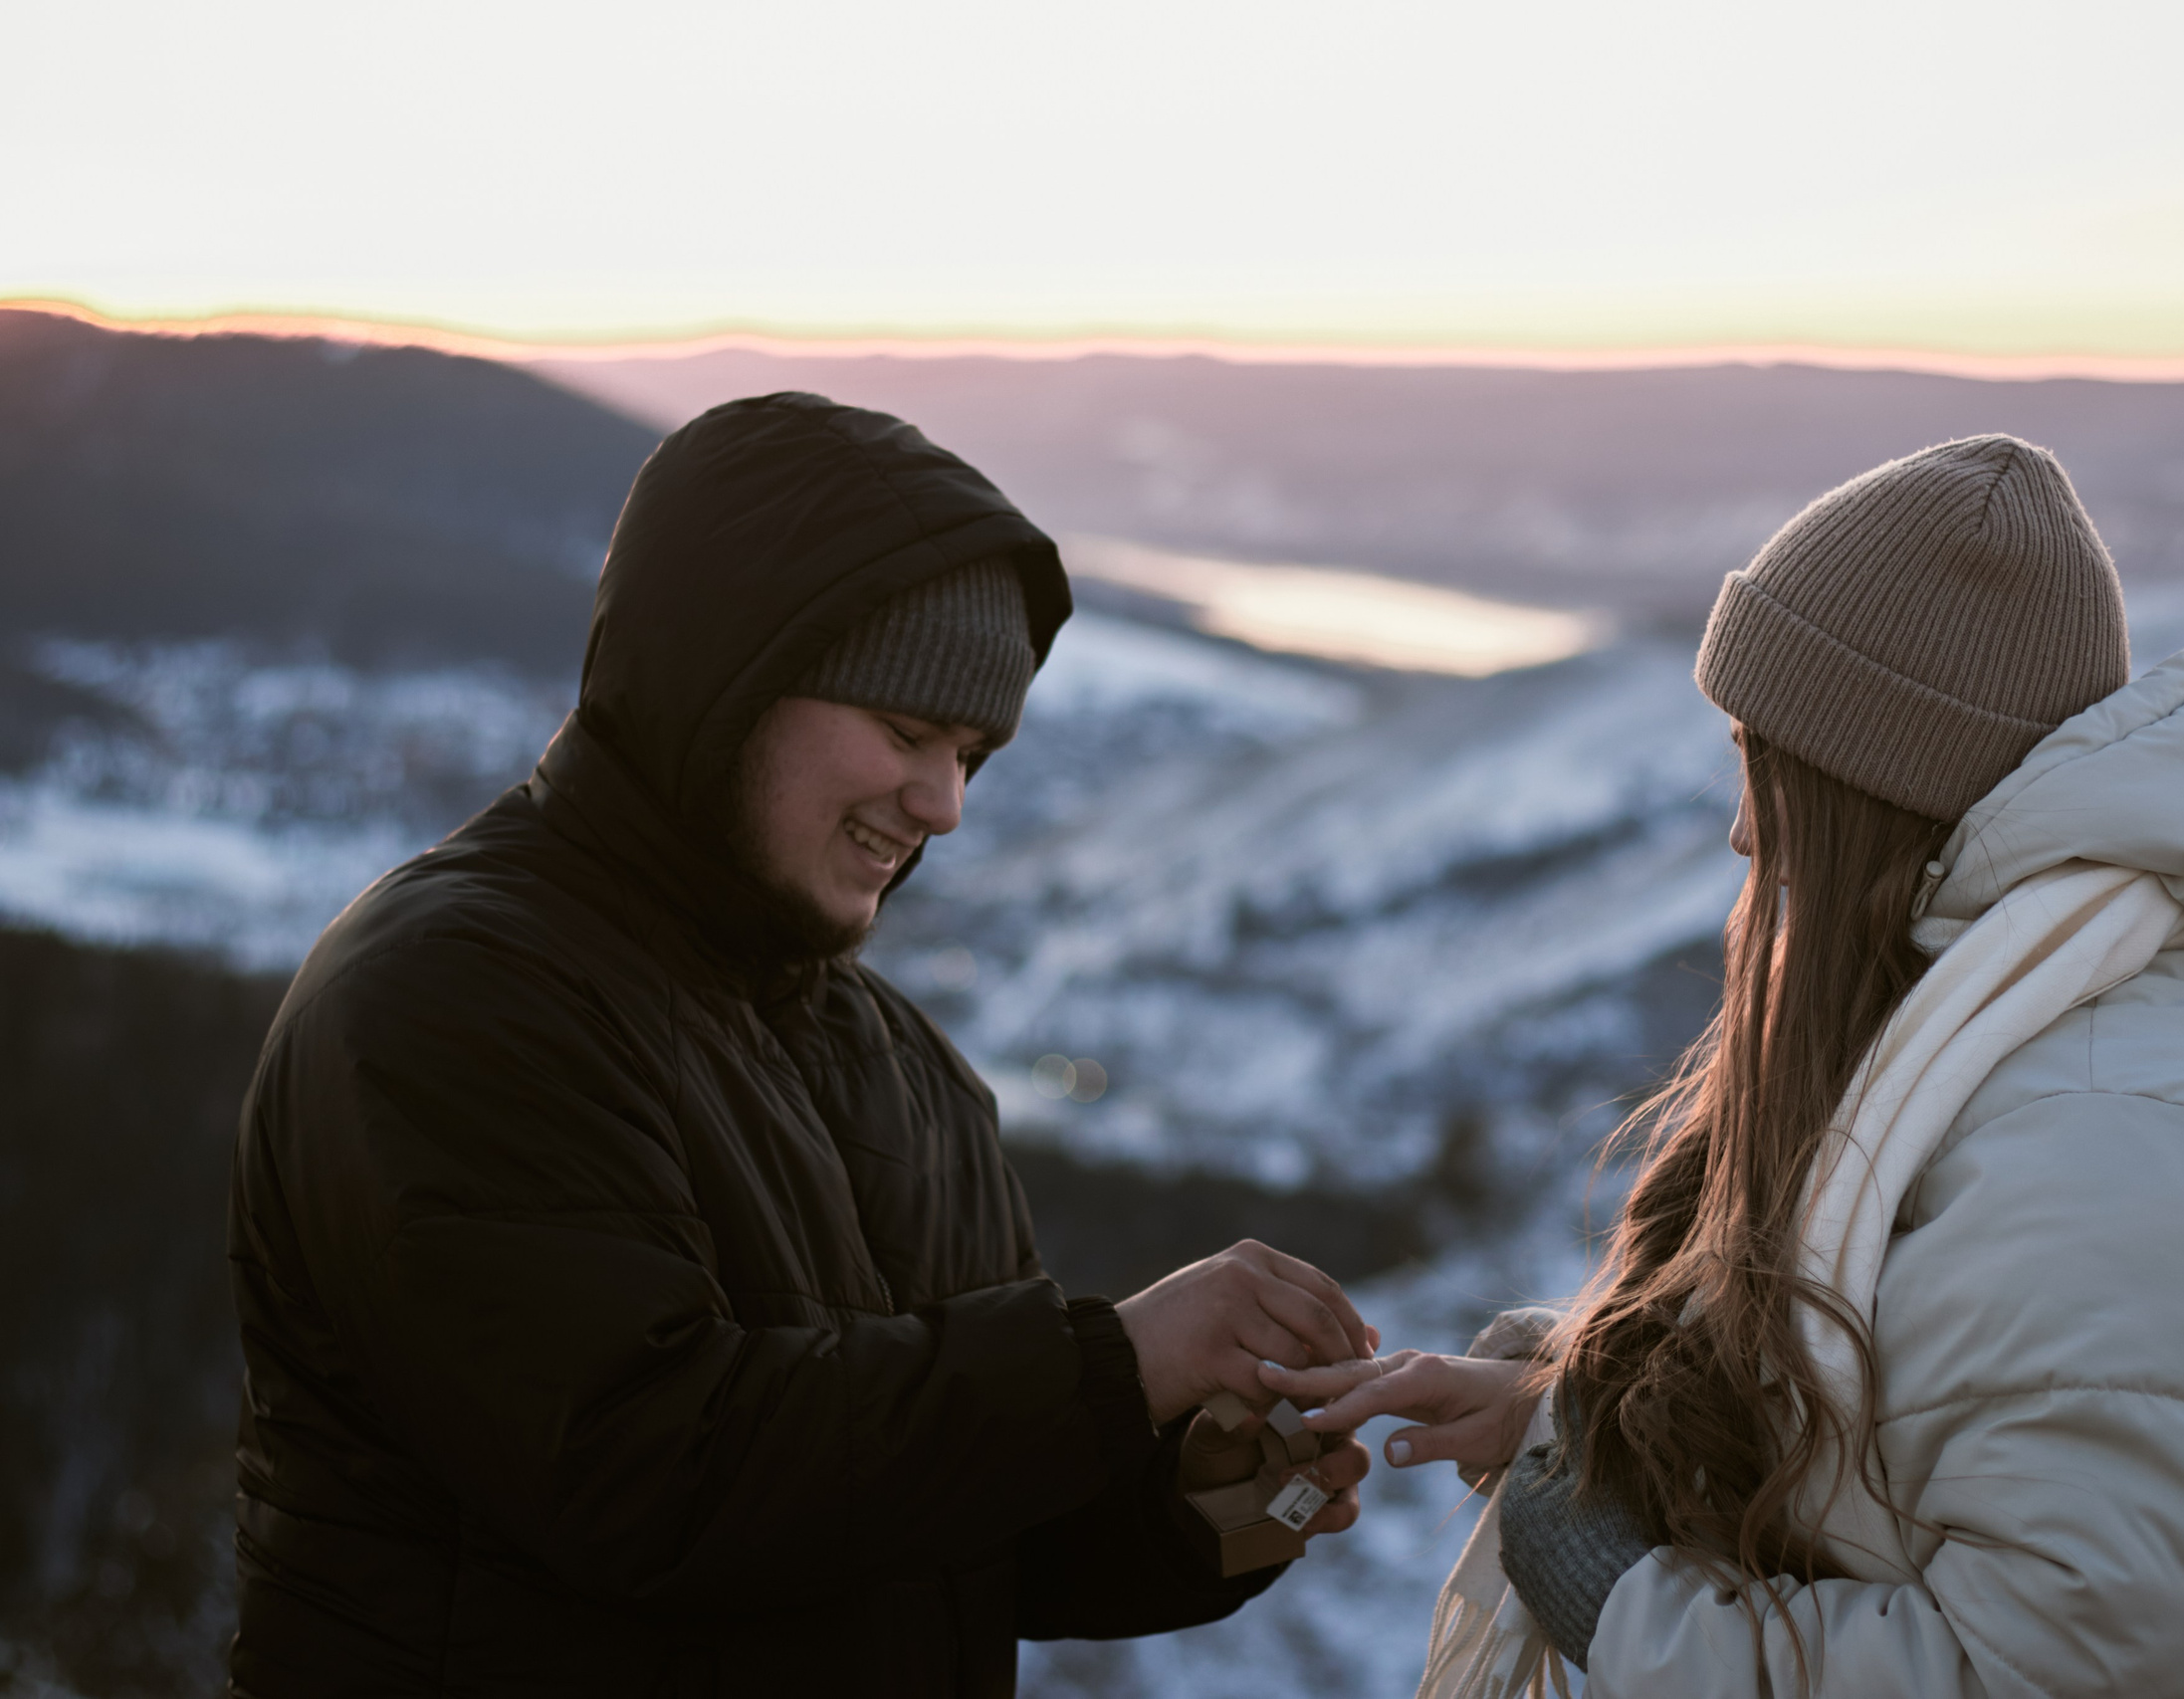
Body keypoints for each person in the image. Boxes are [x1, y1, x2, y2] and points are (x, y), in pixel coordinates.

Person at [226, 393, 1373, 1698]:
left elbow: (957, 1531)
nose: (942, 801)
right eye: (904, 728)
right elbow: (646, 1473)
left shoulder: (908, 1073)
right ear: (727, 676)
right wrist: (1111, 1361)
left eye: (970, 751)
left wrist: (1220, 1499)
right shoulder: (460, 992)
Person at [1275, 435, 2184, 1696]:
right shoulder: (2019, 1030)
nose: (1742, 824)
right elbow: (1910, 1442)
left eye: (1768, 764)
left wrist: (1621, 1602)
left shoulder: (2109, 1121)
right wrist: (1574, 1414)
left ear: (1872, 785)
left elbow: (2029, 1670)